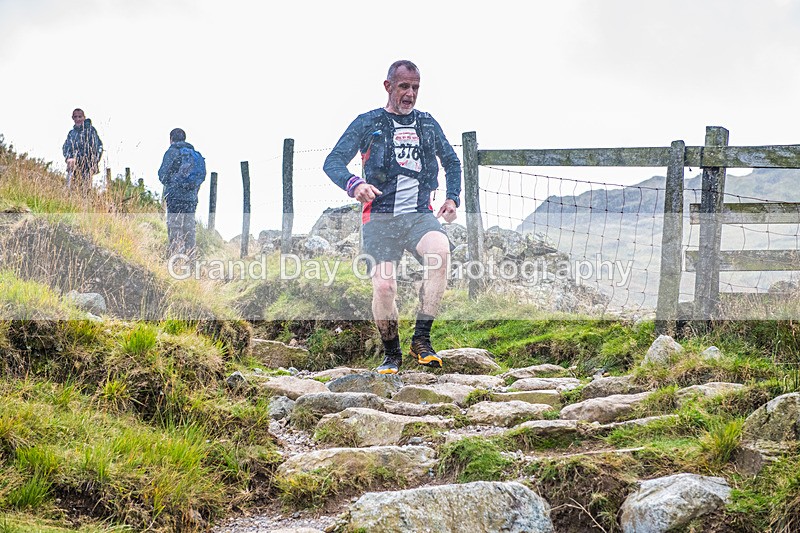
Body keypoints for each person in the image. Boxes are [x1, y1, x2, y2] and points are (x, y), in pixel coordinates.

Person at [323, 60, 462, 374]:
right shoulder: (368, 123)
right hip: (380, 218)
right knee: (385, 287)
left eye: (415, 87)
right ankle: (391, 354)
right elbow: (332, 162)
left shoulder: (427, 124)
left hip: (419, 215)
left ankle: (422, 341)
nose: (410, 94)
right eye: (403, 87)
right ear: (388, 87)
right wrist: (354, 184)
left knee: (440, 253)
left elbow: (453, 163)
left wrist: (452, 197)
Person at [157, 128, 206, 260]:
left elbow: (162, 175)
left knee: (175, 229)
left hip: (174, 198)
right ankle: (191, 262)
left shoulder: (171, 152)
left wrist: (173, 184)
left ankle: (177, 262)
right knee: (189, 231)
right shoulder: (194, 154)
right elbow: (201, 176)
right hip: (191, 199)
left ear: (171, 138)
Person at [62, 108, 103, 192]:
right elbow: (66, 147)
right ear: (72, 118)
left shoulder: (91, 131)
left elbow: (95, 148)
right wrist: (69, 158)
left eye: (80, 117)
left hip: (87, 168)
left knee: (85, 192)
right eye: (75, 117)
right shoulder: (71, 133)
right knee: (71, 191)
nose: (77, 119)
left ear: (84, 117)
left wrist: (79, 160)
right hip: (72, 169)